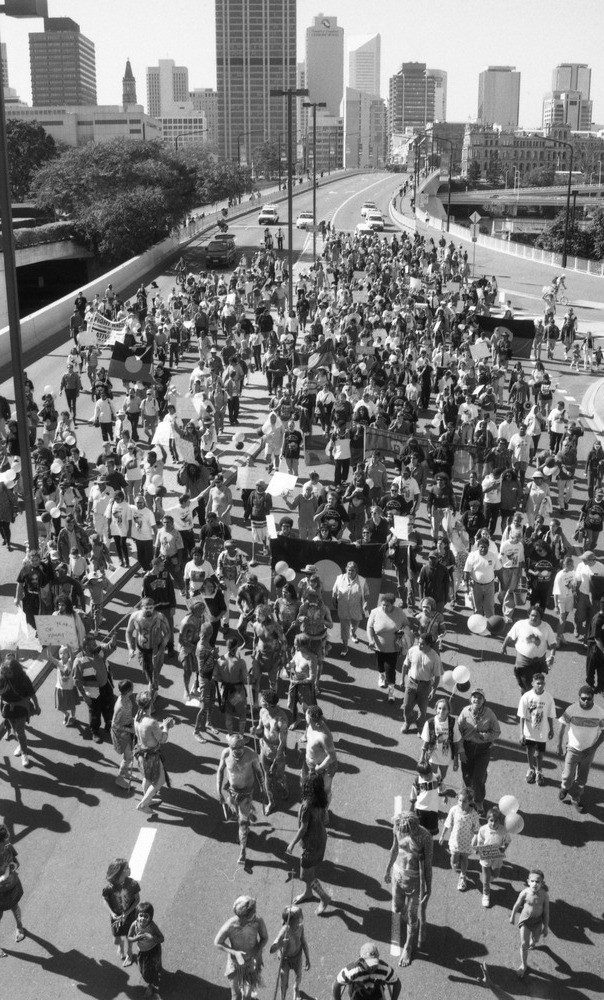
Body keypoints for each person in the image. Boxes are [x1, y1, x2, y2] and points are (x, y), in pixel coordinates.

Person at [384, 811, 433, 968]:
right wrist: (387, 869)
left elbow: (427, 865)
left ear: (413, 827)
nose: (402, 833)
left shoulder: (425, 837)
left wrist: (428, 888)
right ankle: (409, 917)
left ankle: (408, 947)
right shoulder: (397, 828)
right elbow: (394, 849)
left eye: (406, 831)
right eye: (400, 830)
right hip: (398, 876)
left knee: (411, 918)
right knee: (398, 908)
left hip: (415, 882)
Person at [286, 773, 332, 915]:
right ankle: (308, 893)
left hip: (311, 843)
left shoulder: (306, 806)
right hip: (321, 839)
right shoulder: (322, 800)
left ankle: (324, 897)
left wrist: (292, 843)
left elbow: (303, 829)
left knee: (306, 875)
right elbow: (326, 821)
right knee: (310, 870)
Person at [217, 734, 264, 866]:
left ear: (244, 745)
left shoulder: (251, 755)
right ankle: (246, 820)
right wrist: (219, 791)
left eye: (240, 747)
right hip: (232, 793)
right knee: (238, 816)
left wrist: (264, 790)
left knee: (242, 823)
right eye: (233, 747)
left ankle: (242, 851)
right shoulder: (225, 754)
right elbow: (220, 771)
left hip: (246, 794)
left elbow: (259, 772)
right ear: (229, 746)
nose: (237, 750)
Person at [557, 684, 604, 812]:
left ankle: (575, 797)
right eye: (583, 698)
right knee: (567, 775)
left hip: (589, 751)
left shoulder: (599, 713)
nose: (586, 701)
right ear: (579, 698)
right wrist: (559, 744)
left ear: (593, 698)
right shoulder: (572, 709)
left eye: (589, 699)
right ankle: (564, 787)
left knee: (582, 778)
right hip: (572, 749)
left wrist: (593, 748)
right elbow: (562, 726)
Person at [214, 895, 268, 1000]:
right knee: (236, 995)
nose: (255, 915)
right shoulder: (230, 926)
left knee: (248, 995)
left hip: (252, 963)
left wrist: (258, 951)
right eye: (252, 914)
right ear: (243, 916)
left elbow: (264, 938)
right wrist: (234, 952)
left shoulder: (257, 921)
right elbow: (217, 942)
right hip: (235, 965)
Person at [457, 688, 501, 814]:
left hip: (483, 750)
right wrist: (460, 751)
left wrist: (485, 736)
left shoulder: (489, 713)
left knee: (477, 778)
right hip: (467, 748)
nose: (477, 699)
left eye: (480, 698)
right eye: (474, 697)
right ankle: (467, 800)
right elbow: (458, 732)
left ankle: (479, 801)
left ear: (484, 701)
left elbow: (497, 731)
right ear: (470, 699)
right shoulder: (465, 711)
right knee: (467, 777)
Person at [133, 691, 177, 814]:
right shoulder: (151, 722)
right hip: (151, 757)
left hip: (141, 754)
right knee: (160, 781)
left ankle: (148, 798)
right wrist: (167, 727)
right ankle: (143, 804)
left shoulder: (138, 717)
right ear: (150, 703)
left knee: (147, 778)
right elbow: (162, 739)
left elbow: (148, 734)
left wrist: (161, 726)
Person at [72, 634, 116, 744]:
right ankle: (95, 732)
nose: (96, 645)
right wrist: (85, 696)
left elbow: (111, 646)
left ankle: (108, 724)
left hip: (106, 686)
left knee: (109, 707)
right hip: (92, 692)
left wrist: (114, 638)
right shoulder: (79, 661)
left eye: (95, 643)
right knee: (95, 714)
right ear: (86, 647)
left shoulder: (99, 652)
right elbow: (77, 681)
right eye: (93, 644)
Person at [501, 607, 557, 692]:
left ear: (540, 617)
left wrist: (552, 656)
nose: (534, 618)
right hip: (524, 661)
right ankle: (526, 698)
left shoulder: (546, 627)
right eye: (532, 615)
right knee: (527, 684)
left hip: (539, 662)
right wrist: (503, 646)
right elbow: (510, 636)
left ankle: (532, 692)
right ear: (529, 615)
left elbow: (552, 643)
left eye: (537, 616)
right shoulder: (520, 624)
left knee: (536, 682)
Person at [367, 593, 409, 699]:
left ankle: (391, 692)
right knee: (380, 665)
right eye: (383, 605)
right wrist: (371, 640)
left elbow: (407, 624)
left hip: (393, 649)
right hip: (378, 647)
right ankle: (381, 676)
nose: (384, 607)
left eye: (387, 605)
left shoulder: (399, 613)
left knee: (390, 670)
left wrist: (401, 632)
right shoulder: (375, 612)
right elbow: (369, 627)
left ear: (392, 604)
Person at [253, 689, 289, 815]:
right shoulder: (263, 711)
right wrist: (256, 731)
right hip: (264, 749)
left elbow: (282, 743)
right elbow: (260, 728)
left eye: (262, 700)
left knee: (279, 777)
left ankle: (284, 786)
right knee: (267, 777)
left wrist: (276, 761)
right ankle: (271, 801)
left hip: (276, 755)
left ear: (267, 704)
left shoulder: (281, 721)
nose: (260, 701)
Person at [517, 672, 556, 786]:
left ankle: (539, 771)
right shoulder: (526, 697)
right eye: (538, 683)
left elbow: (550, 715)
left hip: (542, 732)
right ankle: (531, 769)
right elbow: (522, 716)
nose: (540, 685)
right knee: (530, 750)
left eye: (542, 683)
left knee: (539, 753)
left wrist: (551, 729)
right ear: (532, 683)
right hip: (529, 732)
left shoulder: (548, 698)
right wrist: (521, 733)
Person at [509, 869, 550, 979]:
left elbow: (546, 912)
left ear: (542, 883)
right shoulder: (524, 893)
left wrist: (545, 927)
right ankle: (524, 964)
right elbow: (517, 905)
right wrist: (512, 916)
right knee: (523, 944)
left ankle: (533, 941)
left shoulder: (544, 896)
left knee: (535, 940)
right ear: (528, 881)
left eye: (538, 882)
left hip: (537, 922)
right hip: (525, 921)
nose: (535, 884)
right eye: (532, 881)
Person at [126, 599, 171, 696]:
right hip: (142, 651)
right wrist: (130, 648)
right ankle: (152, 686)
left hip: (156, 651)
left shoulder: (160, 617)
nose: (149, 610)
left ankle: (151, 691)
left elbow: (167, 633)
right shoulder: (135, 617)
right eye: (146, 608)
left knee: (155, 672)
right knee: (148, 671)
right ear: (141, 607)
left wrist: (162, 647)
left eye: (151, 608)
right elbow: (128, 632)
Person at [438, 788, 481, 892]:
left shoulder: (473, 814)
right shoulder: (454, 809)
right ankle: (458, 866)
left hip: (467, 842)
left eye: (464, 801)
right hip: (455, 841)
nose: (461, 803)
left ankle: (463, 876)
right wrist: (442, 835)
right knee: (454, 861)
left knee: (465, 859)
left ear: (470, 801)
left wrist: (476, 844)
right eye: (459, 800)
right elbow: (448, 823)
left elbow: (476, 830)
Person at [102, 858, 140, 967]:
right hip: (116, 918)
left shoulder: (132, 884)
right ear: (120, 872)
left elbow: (137, 899)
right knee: (116, 940)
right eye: (127, 868)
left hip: (130, 916)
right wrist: (112, 913)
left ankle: (129, 952)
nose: (129, 869)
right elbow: (105, 899)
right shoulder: (109, 888)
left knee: (130, 936)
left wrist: (127, 913)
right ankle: (120, 945)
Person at [400, 632, 442, 735]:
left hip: (425, 685)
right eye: (419, 642)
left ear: (429, 645)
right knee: (406, 706)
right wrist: (402, 679)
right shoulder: (413, 650)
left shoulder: (435, 657)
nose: (419, 645)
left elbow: (437, 676)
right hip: (411, 682)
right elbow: (405, 665)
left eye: (422, 644)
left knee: (422, 709)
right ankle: (407, 722)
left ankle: (420, 726)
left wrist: (434, 689)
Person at [332, 942, 401, 1000]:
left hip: (377, 995)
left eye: (374, 963)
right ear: (361, 960)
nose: (372, 968)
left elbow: (397, 983)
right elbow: (336, 985)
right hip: (357, 996)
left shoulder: (385, 969)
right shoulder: (352, 971)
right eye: (368, 964)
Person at [472, 806, 511, 908]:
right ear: (487, 820)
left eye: (496, 821)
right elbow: (480, 842)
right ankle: (486, 894)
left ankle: (492, 877)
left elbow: (507, 841)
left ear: (500, 821)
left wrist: (504, 848)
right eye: (491, 821)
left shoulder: (504, 830)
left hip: (497, 856)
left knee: (496, 874)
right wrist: (478, 849)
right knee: (486, 878)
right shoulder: (483, 829)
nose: (493, 823)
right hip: (485, 856)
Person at [270, 905, 310, 1000]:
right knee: (283, 983)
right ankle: (282, 997)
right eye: (299, 916)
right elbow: (272, 949)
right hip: (285, 959)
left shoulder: (300, 926)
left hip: (297, 956)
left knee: (299, 976)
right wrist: (280, 944)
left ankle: (296, 989)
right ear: (291, 921)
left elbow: (303, 941)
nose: (302, 917)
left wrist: (308, 958)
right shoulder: (284, 931)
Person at [302, 706, 338, 810]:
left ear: (310, 718)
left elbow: (332, 757)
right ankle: (313, 808)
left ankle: (324, 811)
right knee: (309, 788)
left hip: (322, 769)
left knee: (325, 791)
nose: (305, 716)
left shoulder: (324, 736)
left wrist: (319, 768)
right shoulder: (310, 726)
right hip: (309, 764)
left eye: (306, 715)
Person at [331, 562, 369, 656]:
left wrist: (366, 603)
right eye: (349, 570)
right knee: (344, 628)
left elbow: (367, 593)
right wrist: (334, 601)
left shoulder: (362, 580)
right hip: (343, 608)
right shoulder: (340, 578)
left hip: (356, 608)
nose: (350, 572)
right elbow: (334, 591)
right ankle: (345, 648)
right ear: (346, 569)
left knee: (355, 623)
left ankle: (353, 632)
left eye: (353, 570)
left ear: (356, 570)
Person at [420, 697, 463, 779]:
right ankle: (434, 788)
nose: (441, 711)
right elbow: (426, 741)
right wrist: (422, 757)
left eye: (444, 709)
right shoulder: (429, 723)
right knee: (432, 774)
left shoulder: (453, 722)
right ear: (436, 709)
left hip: (446, 754)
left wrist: (456, 760)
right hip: (433, 753)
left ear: (448, 711)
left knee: (442, 775)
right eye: (439, 708)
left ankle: (440, 787)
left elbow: (456, 741)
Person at [128, 901, 164, 998]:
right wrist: (136, 938)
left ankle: (150, 985)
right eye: (141, 915)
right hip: (142, 952)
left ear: (150, 918)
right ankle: (157, 970)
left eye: (146, 916)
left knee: (149, 971)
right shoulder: (134, 925)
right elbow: (129, 937)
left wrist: (151, 937)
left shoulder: (152, 926)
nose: (143, 918)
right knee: (143, 969)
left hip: (153, 949)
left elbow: (162, 938)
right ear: (137, 916)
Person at [0, 823, 25, 956]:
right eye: (4, 842)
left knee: (15, 907)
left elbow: (16, 862)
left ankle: (19, 927)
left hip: (12, 887)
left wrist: (12, 867)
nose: (8, 844)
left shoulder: (8, 847)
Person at [111, 679, 136, 789]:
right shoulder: (120, 706)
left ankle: (125, 773)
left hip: (126, 729)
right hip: (121, 734)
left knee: (128, 756)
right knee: (128, 758)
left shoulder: (126, 700)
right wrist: (130, 730)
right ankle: (119, 779)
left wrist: (133, 721)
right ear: (129, 691)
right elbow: (115, 725)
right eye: (132, 688)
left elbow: (128, 715)